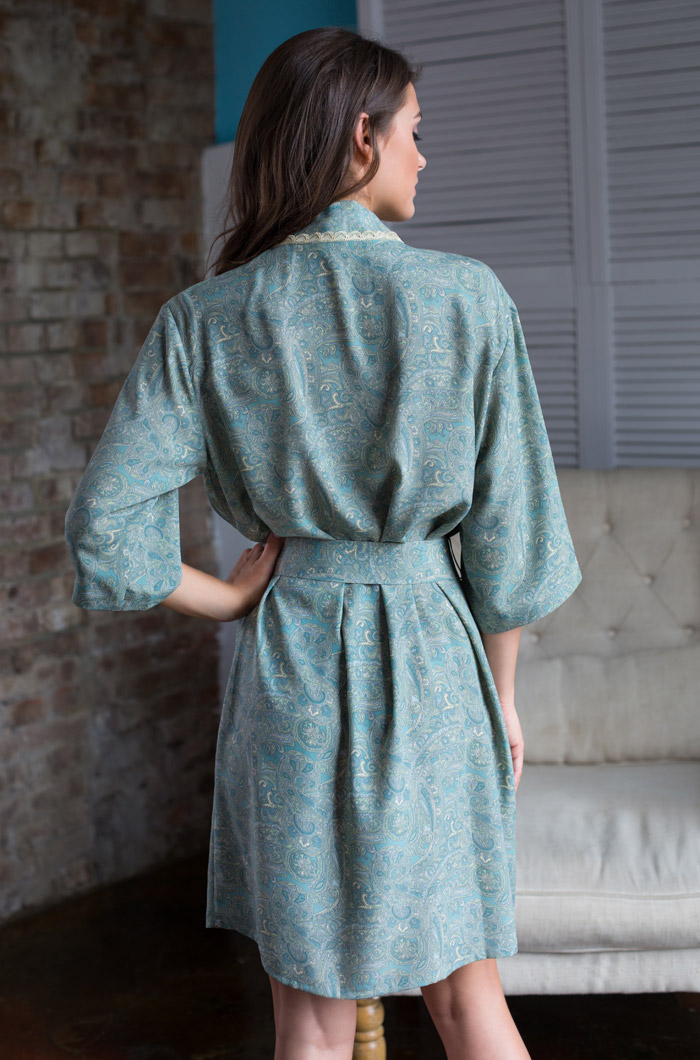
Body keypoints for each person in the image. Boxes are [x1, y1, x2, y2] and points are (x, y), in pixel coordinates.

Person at [65, 25, 582, 1060]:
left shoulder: (205, 319)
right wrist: (500, 695)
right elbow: (510, 538)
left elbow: (102, 530)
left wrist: (230, 599)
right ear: (361, 138)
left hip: (290, 669)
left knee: (306, 1022)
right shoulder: (467, 299)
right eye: (415, 133)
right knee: (466, 999)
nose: (424, 156)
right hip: (435, 670)